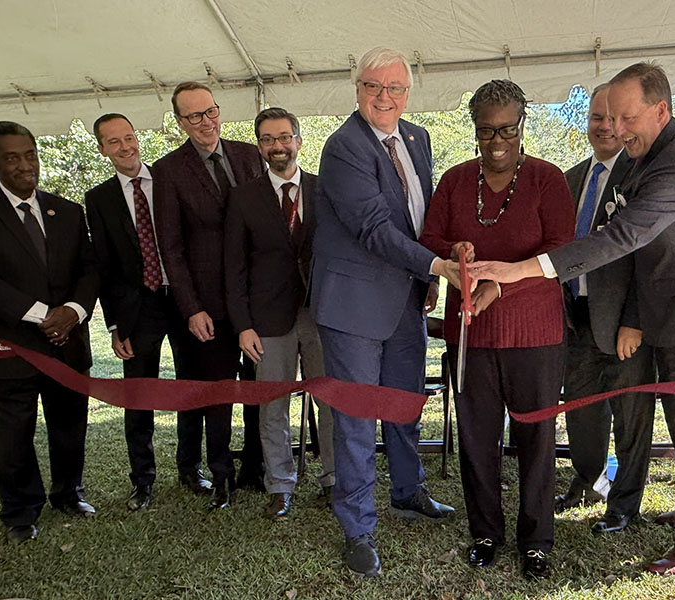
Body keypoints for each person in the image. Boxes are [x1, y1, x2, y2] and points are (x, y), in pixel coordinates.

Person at [470, 62, 675, 575]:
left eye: (626, 118)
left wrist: (523, 270)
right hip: (666, 309)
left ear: (661, 110)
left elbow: (622, 238)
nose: (616, 130)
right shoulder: (649, 153)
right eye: (610, 118)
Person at [311, 47, 462, 577]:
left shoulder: (417, 138)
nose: (384, 97)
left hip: (406, 299)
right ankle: (358, 529)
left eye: (395, 87)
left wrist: (428, 274)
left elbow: (420, 216)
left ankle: (407, 491)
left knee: (404, 402)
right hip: (353, 304)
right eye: (374, 86)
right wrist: (439, 265)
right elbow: (374, 227)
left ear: (408, 93)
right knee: (355, 417)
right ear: (357, 90)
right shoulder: (344, 147)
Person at [420, 79, 574, 579]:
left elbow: (561, 254)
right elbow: (430, 239)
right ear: (475, 130)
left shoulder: (548, 180)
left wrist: (501, 287)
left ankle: (536, 539)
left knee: (537, 440)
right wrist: (455, 253)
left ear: (522, 124)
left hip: (535, 333)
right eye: (486, 131)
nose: (497, 140)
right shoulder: (454, 181)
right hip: (470, 334)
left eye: (507, 128)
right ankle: (485, 532)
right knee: (476, 438)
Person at [0, 121, 99, 542]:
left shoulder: (66, 210)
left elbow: (89, 268)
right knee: (13, 434)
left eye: (30, 154)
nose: (25, 165)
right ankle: (19, 511)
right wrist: (40, 314)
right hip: (6, 346)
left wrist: (73, 311)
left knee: (69, 425)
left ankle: (69, 493)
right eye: (11, 157)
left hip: (67, 342)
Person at [153, 81, 265, 510]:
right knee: (217, 394)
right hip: (208, 306)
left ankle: (256, 466)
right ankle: (222, 476)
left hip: (255, 300)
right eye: (195, 116)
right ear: (180, 121)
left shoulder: (248, 154)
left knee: (258, 388)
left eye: (211, 111)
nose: (206, 121)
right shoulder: (168, 171)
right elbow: (171, 248)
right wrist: (191, 307)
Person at [555, 83, 656, 536]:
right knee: (580, 411)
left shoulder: (641, 175)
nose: (605, 126)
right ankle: (587, 479)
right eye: (597, 117)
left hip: (622, 324)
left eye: (614, 118)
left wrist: (634, 318)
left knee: (631, 416)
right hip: (572, 318)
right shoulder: (569, 178)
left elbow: (647, 256)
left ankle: (624, 504)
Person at [84, 113, 199, 511]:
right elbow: (104, 266)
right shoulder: (97, 200)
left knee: (191, 387)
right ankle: (143, 480)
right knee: (139, 396)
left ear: (138, 138)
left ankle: (190, 467)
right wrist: (115, 323)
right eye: (113, 142)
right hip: (138, 309)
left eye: (129, 137)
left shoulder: (169, 181)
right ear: (102, 149)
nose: (125, 147)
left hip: (183, 300)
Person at [224, 107, 334, 519]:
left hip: (323, 314)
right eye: (268, 139)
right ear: (259, 147)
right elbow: (232, 268)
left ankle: (334, 480)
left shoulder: (326, 190)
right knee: (273, 405)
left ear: (299, 142)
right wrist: (243, 326)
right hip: (266, 320)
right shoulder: (242, 198)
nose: (277, 146)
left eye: (284, 137)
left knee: (331, 402)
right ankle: (280, 486)